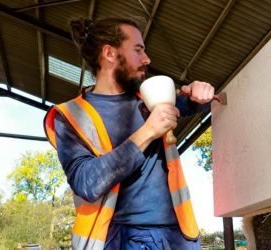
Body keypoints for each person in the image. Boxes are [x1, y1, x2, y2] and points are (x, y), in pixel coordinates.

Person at [44, 16, 216, 250]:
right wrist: (148, 132)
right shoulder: (71, 115)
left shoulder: (149, 98)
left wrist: (200, 92)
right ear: (110, 53)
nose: (147, 59)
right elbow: (86, 183)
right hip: (118, 239)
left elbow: (197, 102)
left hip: (177, 236)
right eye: (138, 50)